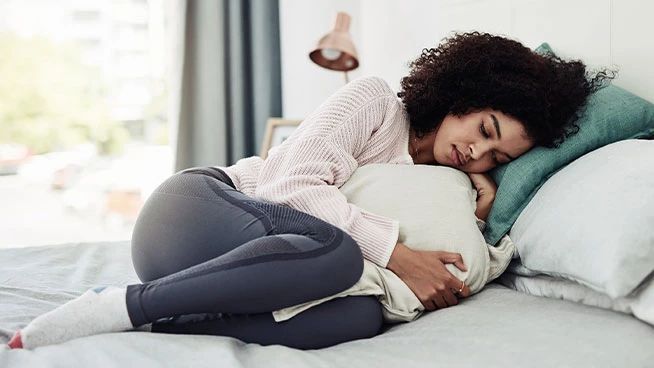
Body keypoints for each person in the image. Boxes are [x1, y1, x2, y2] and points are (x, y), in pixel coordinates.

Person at [7, 32, 610, 350]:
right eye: (484, 130)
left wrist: (476, 206)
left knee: (359, 317)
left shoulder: (451, 181)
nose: (478, 153)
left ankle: (150, 325)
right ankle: (122, 303)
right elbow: (290, 185)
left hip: (248, 270)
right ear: (463, 93)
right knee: (340, 253)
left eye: (498, 156)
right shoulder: (375, 101)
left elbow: (444, 248)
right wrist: (396, 253)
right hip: (197, 214)